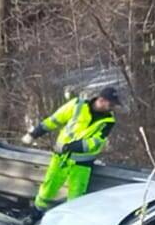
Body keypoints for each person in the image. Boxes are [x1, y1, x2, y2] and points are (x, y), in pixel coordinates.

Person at [21, 86, 121, 214]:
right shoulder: (77, 105)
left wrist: (72, 146)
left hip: (82, 163)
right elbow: (54, 120)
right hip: (61, 158)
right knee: (48, 188)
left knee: (76, 196)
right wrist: (34, 134)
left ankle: (69, 221)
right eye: (111, 104)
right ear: (101, 100)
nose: (113, 107)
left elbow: (96, 142)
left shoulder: (108, 121)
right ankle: (36, 213)